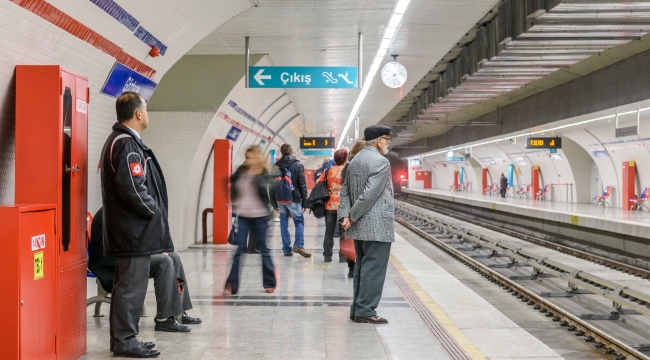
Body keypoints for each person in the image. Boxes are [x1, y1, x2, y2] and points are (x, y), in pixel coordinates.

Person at [100, 91, 171, 357]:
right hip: (133, 232)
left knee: (127, 287)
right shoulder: (126, 144)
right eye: (146, 109)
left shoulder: (124, 141)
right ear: (138, 113)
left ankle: (123, 339)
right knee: (131, 288)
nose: (147, 114)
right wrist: (154, 212)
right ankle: (126, 341)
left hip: (131, 230)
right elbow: (132, 189)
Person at [89, 208, 201, 337]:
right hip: (110, 264)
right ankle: (164, 319)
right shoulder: (113, 211)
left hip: (124, 256)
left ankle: (178, 311)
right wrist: (153, 251)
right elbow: (129, 242)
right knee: (164, 262)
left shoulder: (121, 208)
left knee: (173, 257)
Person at [338, 125, 394, 325]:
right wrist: (351, 215)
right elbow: (370, 195)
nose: (388, 143)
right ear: (379, 140)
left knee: (362, 267)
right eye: (387, 139)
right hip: (377, 225)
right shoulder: (381, 162)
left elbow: (344, 191)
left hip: (360, 226)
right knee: (374, 268)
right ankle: (366, 310)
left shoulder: (355, 161)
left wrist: (345, 215)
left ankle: (358, 309)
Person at [225, 146, 276, 294]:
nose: (250, 160)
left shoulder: (264, 173)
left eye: (253, 157)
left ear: (259, 158)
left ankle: (269, 283)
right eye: (248, 157)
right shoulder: (241, 171)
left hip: (261, 216)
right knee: (239, 251)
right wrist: (233, 201)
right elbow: (230, 183)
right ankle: (231, 285)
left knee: (264, 250)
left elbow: (269, 190)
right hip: (244, 217)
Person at [270, 144, 311, 258]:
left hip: (280, 199)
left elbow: (271, 186)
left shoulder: (275, 166)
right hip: (294, 199)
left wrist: (274, 203)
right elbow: (302, 185)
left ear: (281, 153)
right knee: (299, 221)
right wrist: (305, 202)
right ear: (292, 151)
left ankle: (286, 249)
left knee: (283, 223)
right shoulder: (298, 165)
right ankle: (298, 245)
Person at [339, 140, 367, 278]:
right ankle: (360, 267)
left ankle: (351, 268)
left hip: (350, 209)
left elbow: (344, 189)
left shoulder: (347, 167)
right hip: (363, 209)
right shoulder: (367, 166)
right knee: (362, 241)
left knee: (350, 239)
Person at [316, 148, 349, 263]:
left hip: (329, 205)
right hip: (344, 205)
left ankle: (327, 256)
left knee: (329, 231)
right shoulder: (347, 170)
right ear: (345, 158)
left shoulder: (328, 170)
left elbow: (318, 182)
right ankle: (343, 256)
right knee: (343, 232)